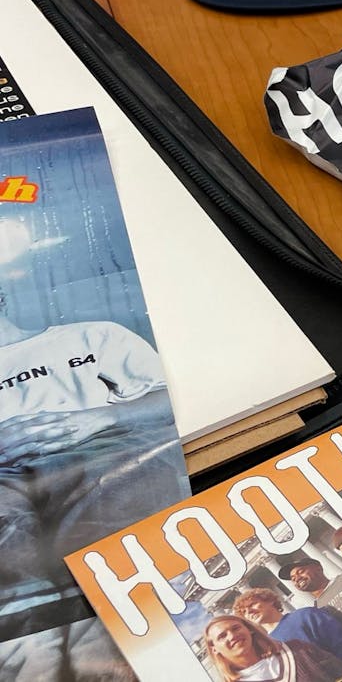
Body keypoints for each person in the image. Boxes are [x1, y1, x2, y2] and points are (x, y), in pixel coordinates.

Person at [0, 287, 184, 674]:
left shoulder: (92, 337)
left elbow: (175, 400)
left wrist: (103, 419)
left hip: (97, 456)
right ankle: (42, 644)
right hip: (6, 482)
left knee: (120, 486)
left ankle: (107, 646)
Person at [232, 587, 342, 666]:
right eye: (244, 612)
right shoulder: (264, 646)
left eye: (252, 605)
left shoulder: (306, 615)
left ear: (270, 600)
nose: (249, 612)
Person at [201, 614, 342, 682]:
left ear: (249, 629)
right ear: (214, 649)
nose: (232, 636)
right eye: (222, 636)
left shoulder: (298, 650)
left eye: (236, 628)